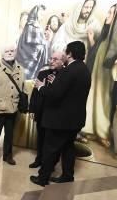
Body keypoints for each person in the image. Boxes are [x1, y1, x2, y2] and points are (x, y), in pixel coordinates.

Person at [30, 41, 92, 186]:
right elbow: (70, 93)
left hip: (60, 120)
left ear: (69, 54)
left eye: (65, 51)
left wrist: (41, 87)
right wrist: (57, 82)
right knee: (68, 148)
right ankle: (67, 175)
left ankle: (42, 178)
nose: (63, 54)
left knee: (50, 149)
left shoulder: (68, 71)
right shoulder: (84, 69)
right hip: (75, 120)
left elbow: (54, 95)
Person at [83, 4, 117, 147]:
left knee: (104, 103)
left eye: (110, 13)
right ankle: (89, 130)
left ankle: (103, 133)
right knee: (92, 101)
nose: (107, 15)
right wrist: (91, 40)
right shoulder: (105, 36)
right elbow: (96, 52)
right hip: (96, 76)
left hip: (108, 79)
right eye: (108, 12)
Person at [0, 45, 25, 168]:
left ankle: (8, 156)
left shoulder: (20, 69)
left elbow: (23, 88)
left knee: (9, 135)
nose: (9, 53)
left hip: (13, 108)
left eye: (12, 51)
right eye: (6, 51)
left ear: (15, 52)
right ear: (2, 54)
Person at [28, 50, 67, 169]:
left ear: (63, 61)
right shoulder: (42, 73)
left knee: (51, 142)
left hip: (55, 114)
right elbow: (35, 93)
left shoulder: (65, 75)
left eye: (55, 59)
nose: (51, 61)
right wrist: (32, 110)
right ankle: (39, 159)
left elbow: (61, 95)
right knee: (40, 138)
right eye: (51, 58)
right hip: (41, 112)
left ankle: (49, 163)